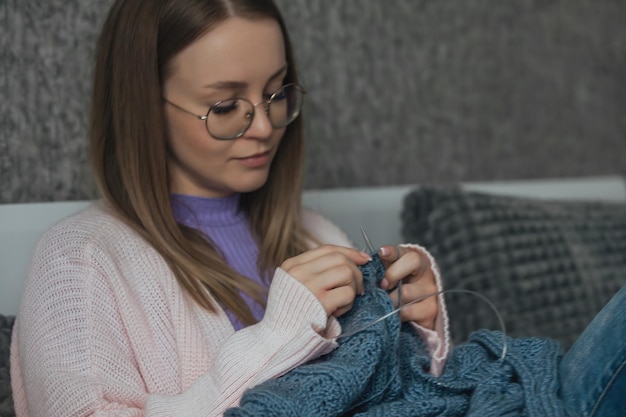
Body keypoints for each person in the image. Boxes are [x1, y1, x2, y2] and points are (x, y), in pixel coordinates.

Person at [9, 0, 626, 416]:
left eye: (277, 93)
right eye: (226, 106)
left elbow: (402, 396)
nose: (265, 127)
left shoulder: (315, 235)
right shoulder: (83, 263)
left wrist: (422, 330)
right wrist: (279, 336)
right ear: (141, 106)